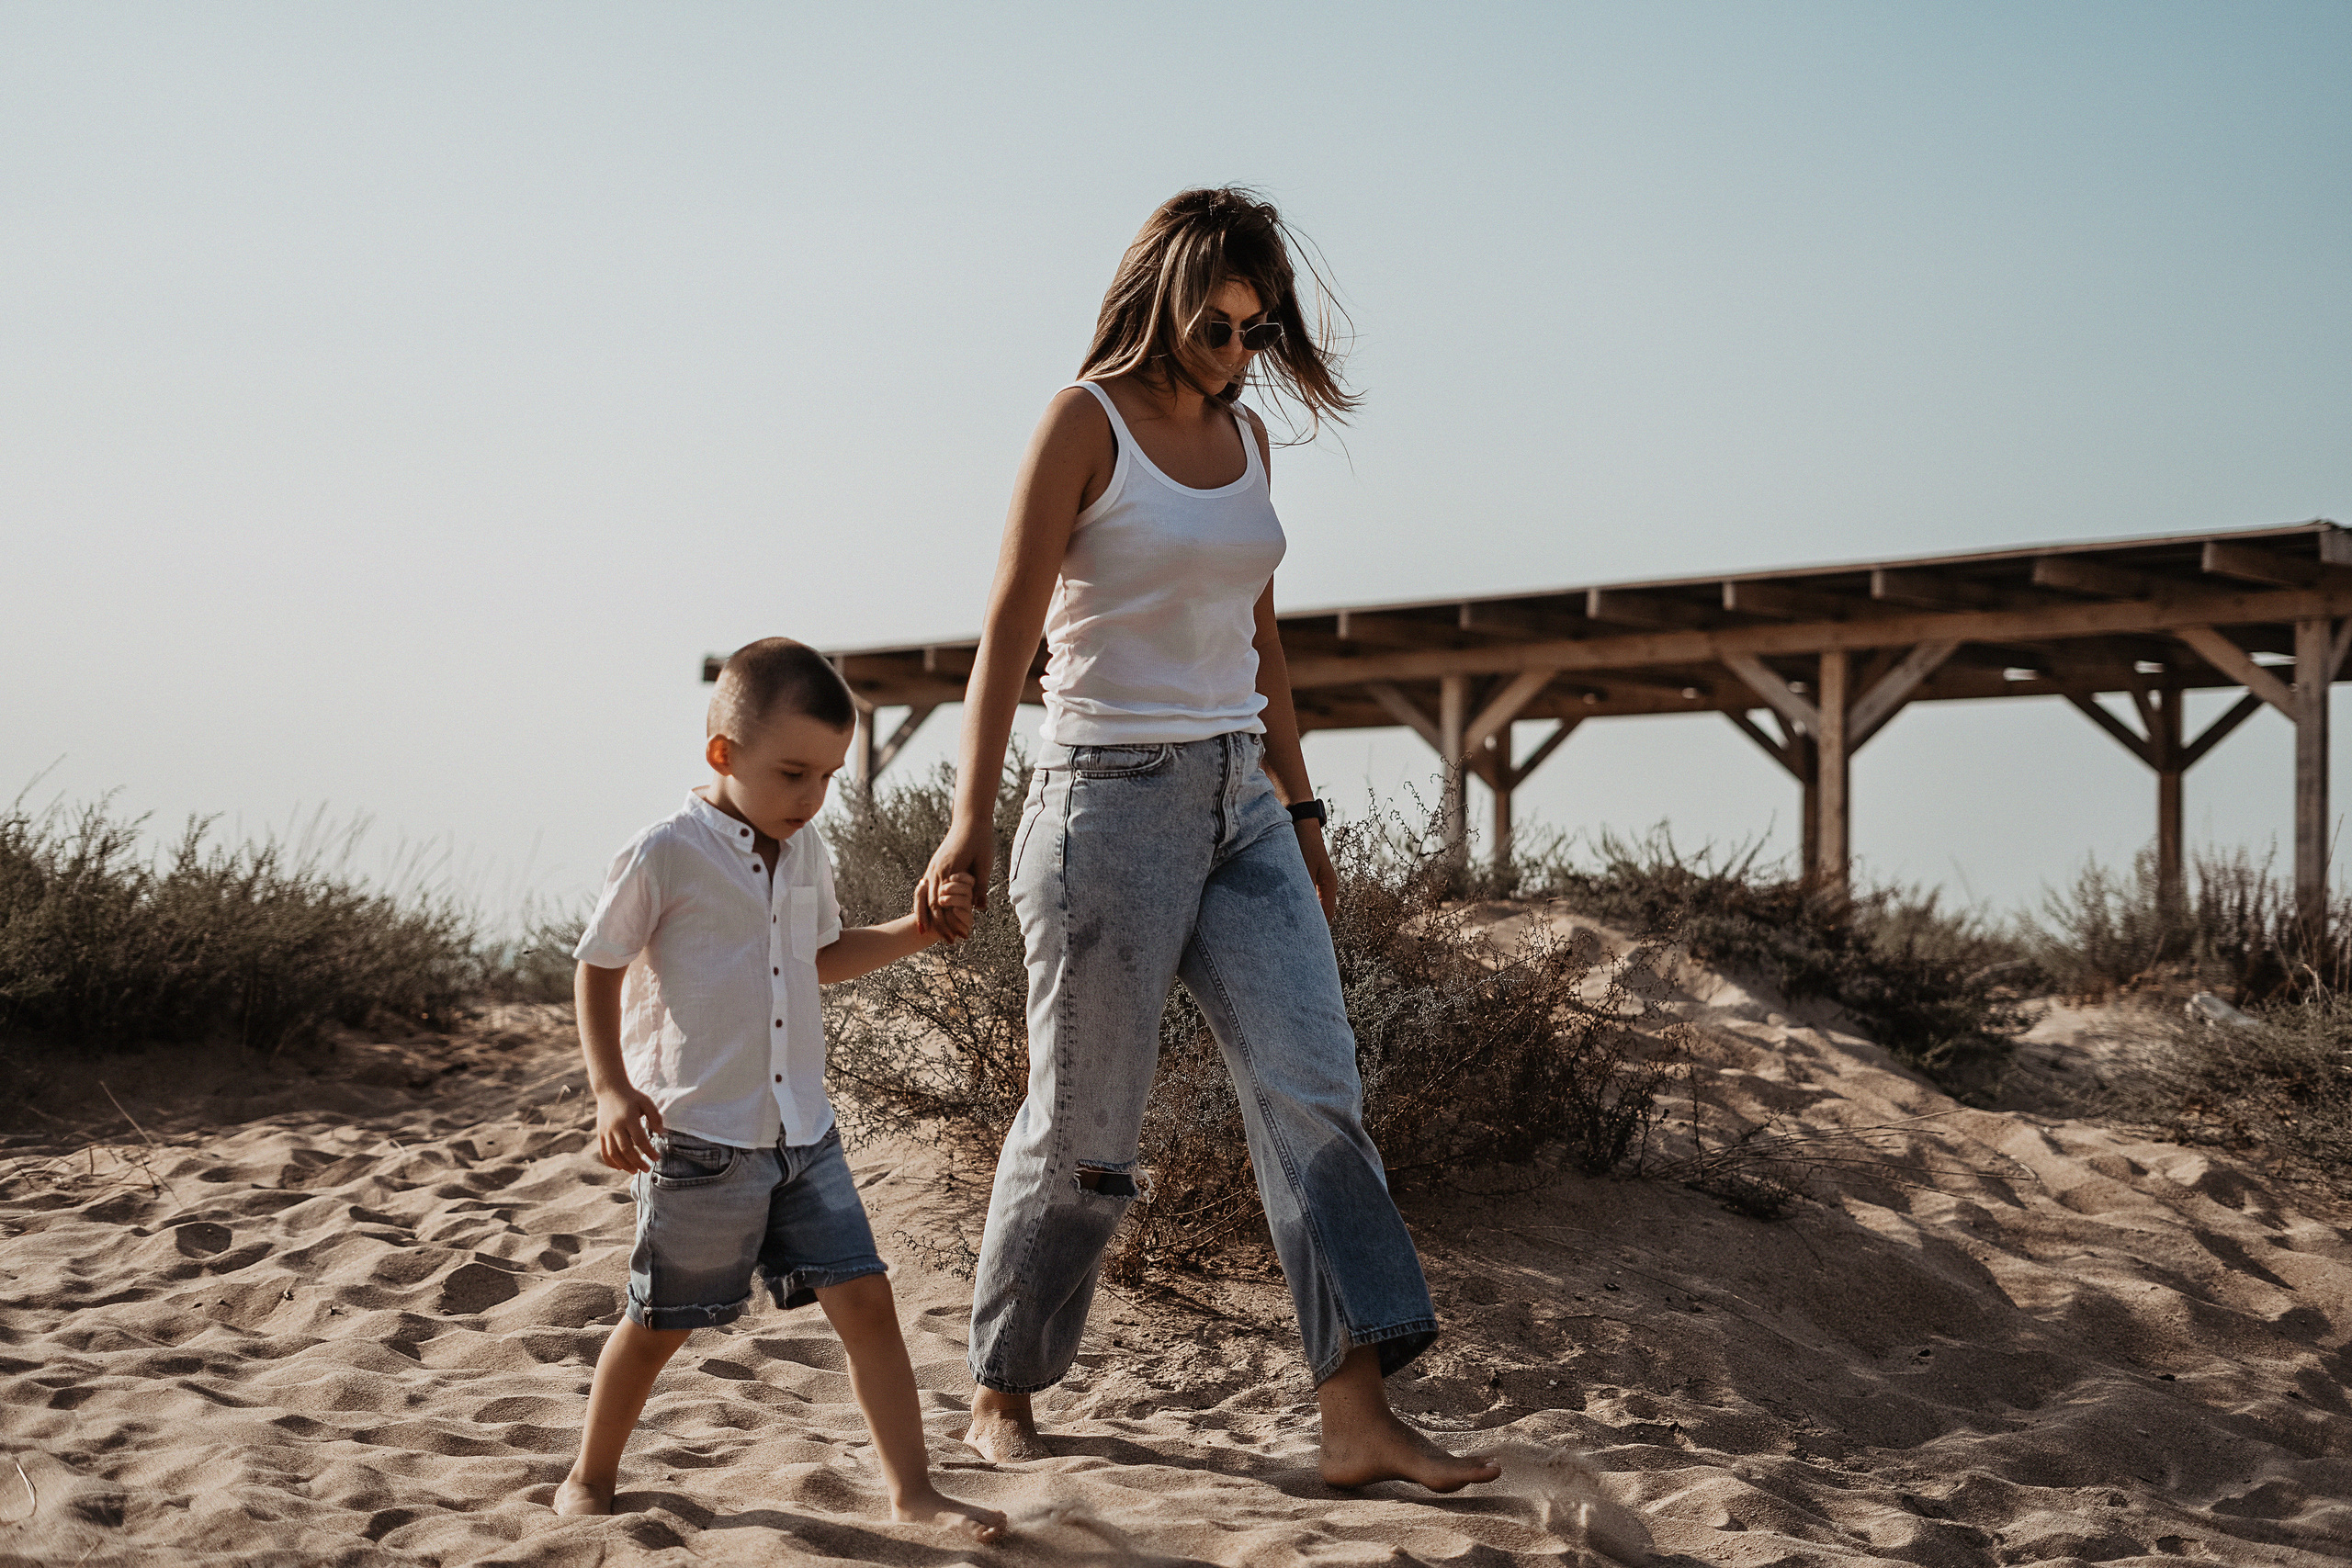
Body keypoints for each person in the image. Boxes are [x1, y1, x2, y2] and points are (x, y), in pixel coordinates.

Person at [916, 187, 1501, 1493]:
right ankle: (1004, 1379)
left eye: (1259, 328)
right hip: (1104, 799)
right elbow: (1005, 633)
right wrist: (965, 820)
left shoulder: (1248, 445)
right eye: (1220, 323)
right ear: (1165, 298)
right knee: (1085, 1134)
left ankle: (1354, 1411)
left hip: (1241, 802)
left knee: (1317, 1095)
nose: (1239, 350)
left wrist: (1298, 807)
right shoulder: (1083, 422)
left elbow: (1262, 638)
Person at [553, 637, 1004, 1541]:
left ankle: (912, 1493)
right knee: (657, 1325)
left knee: (868, 1303)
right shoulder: (665, 855)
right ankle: (589, 1477)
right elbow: (596, 967)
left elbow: (821, 958)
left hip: (804, 1133)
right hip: (700, 1140)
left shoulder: (806, 855)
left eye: (831, 776)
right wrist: (610, 1091)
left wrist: (917, 932)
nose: (813, 798)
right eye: (793, 773)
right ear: (723, 755)